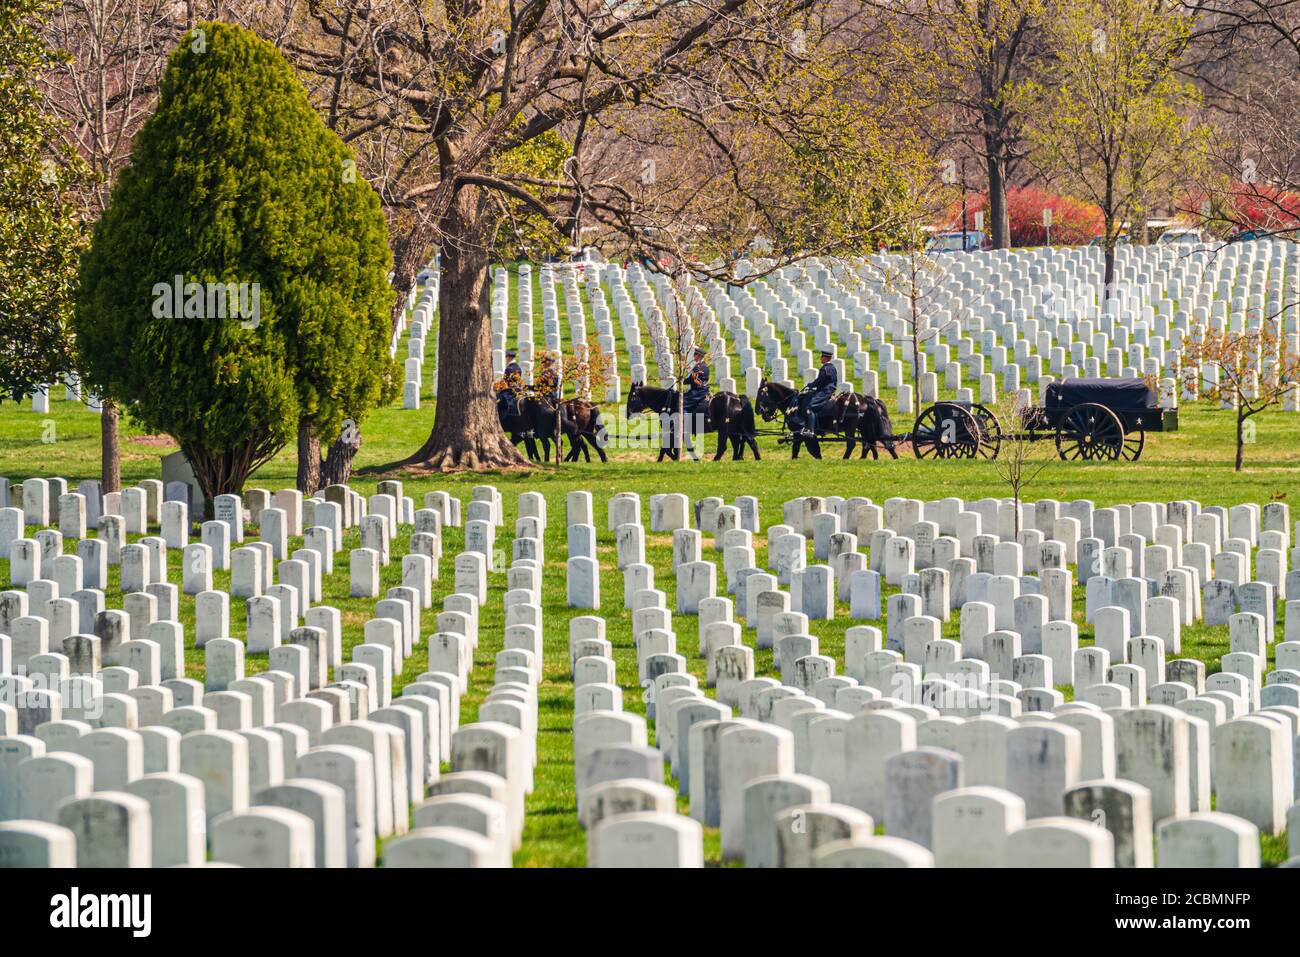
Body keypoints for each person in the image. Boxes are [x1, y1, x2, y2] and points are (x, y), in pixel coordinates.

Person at [799, 346, 839, 437]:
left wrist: (810, 385)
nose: (821, 358)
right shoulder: (832, 367)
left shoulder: (826, 368)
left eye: (822, 356)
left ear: (825, 358)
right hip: (828, 390)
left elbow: (820, 381)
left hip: (825, 391)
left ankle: (811, 430)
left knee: (810, 407)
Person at [682, 346, 711, 418]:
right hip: (703, 390)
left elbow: (691, 380)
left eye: (695, 355)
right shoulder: (705, 366)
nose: (694, 357)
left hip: (697, 392)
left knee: (682, 405)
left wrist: (681, 381)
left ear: (699, 356)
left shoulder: (698, 367)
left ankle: (685, 423)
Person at [497, 348, 523, 417]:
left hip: (509, 392)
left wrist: (497, 387)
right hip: (518, 391)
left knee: (498, 403)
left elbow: (505, 382)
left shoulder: (509, 369)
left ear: (508, 357)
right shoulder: (518, 367)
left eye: (505, 357)